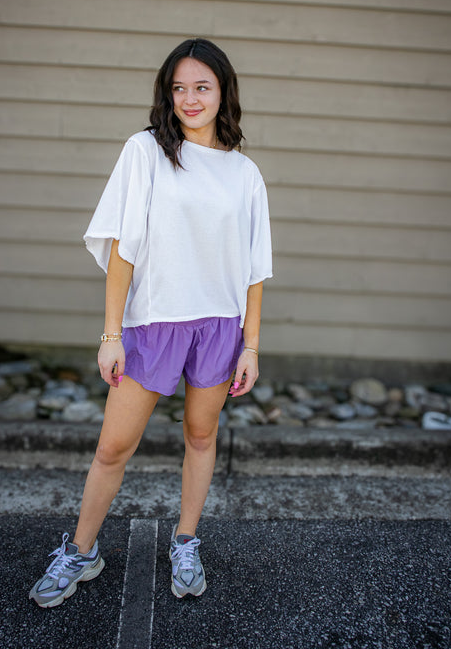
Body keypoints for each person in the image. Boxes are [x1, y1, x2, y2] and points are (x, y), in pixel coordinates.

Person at [29, 37, 272, 607]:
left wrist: (251, 345)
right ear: (168, 94)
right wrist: (111, 334)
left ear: (223, 92)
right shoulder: (144, 152)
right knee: (113, 447)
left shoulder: (244, 173)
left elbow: (255, 269)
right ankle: (81, 551)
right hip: (152, 324)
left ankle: (185, 542)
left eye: (202, 87)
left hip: (218, 327)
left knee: (201, 436)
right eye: (179, 88)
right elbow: (123, 249)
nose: (190, 99)